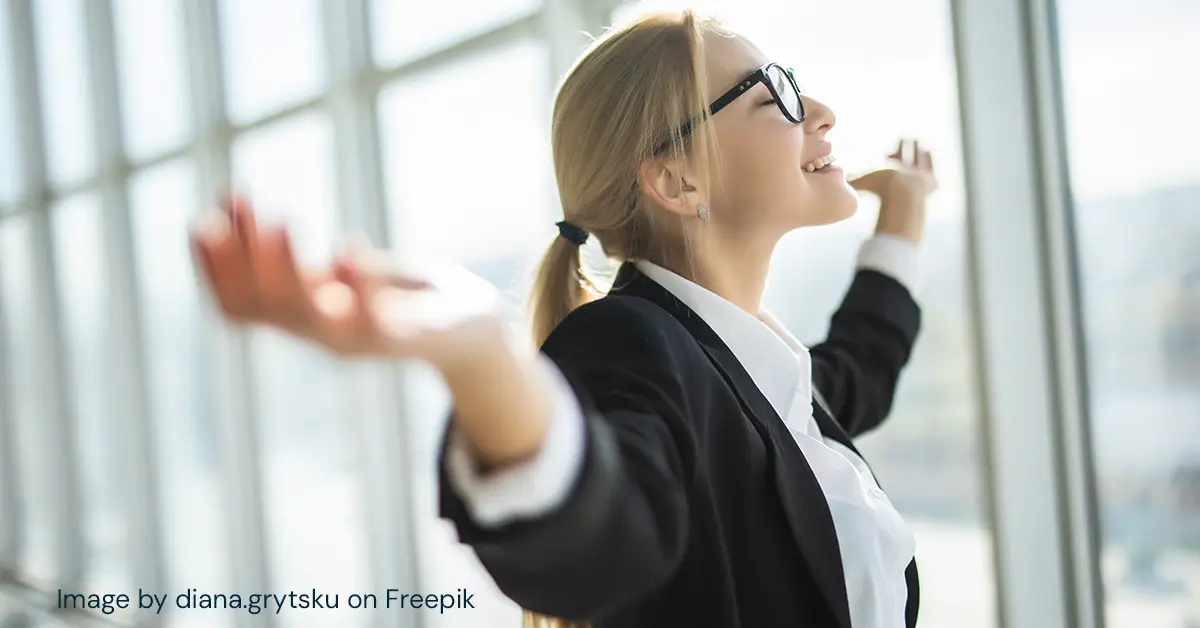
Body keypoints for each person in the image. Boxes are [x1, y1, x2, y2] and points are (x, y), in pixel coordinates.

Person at [191, 9, 937, 628]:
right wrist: (484, 358)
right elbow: (606, 531)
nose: (821, 112)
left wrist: (901, 217)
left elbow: (858, 372)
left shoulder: (756, 370)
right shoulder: (630, 344)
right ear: (677, 179)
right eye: (772, 92)